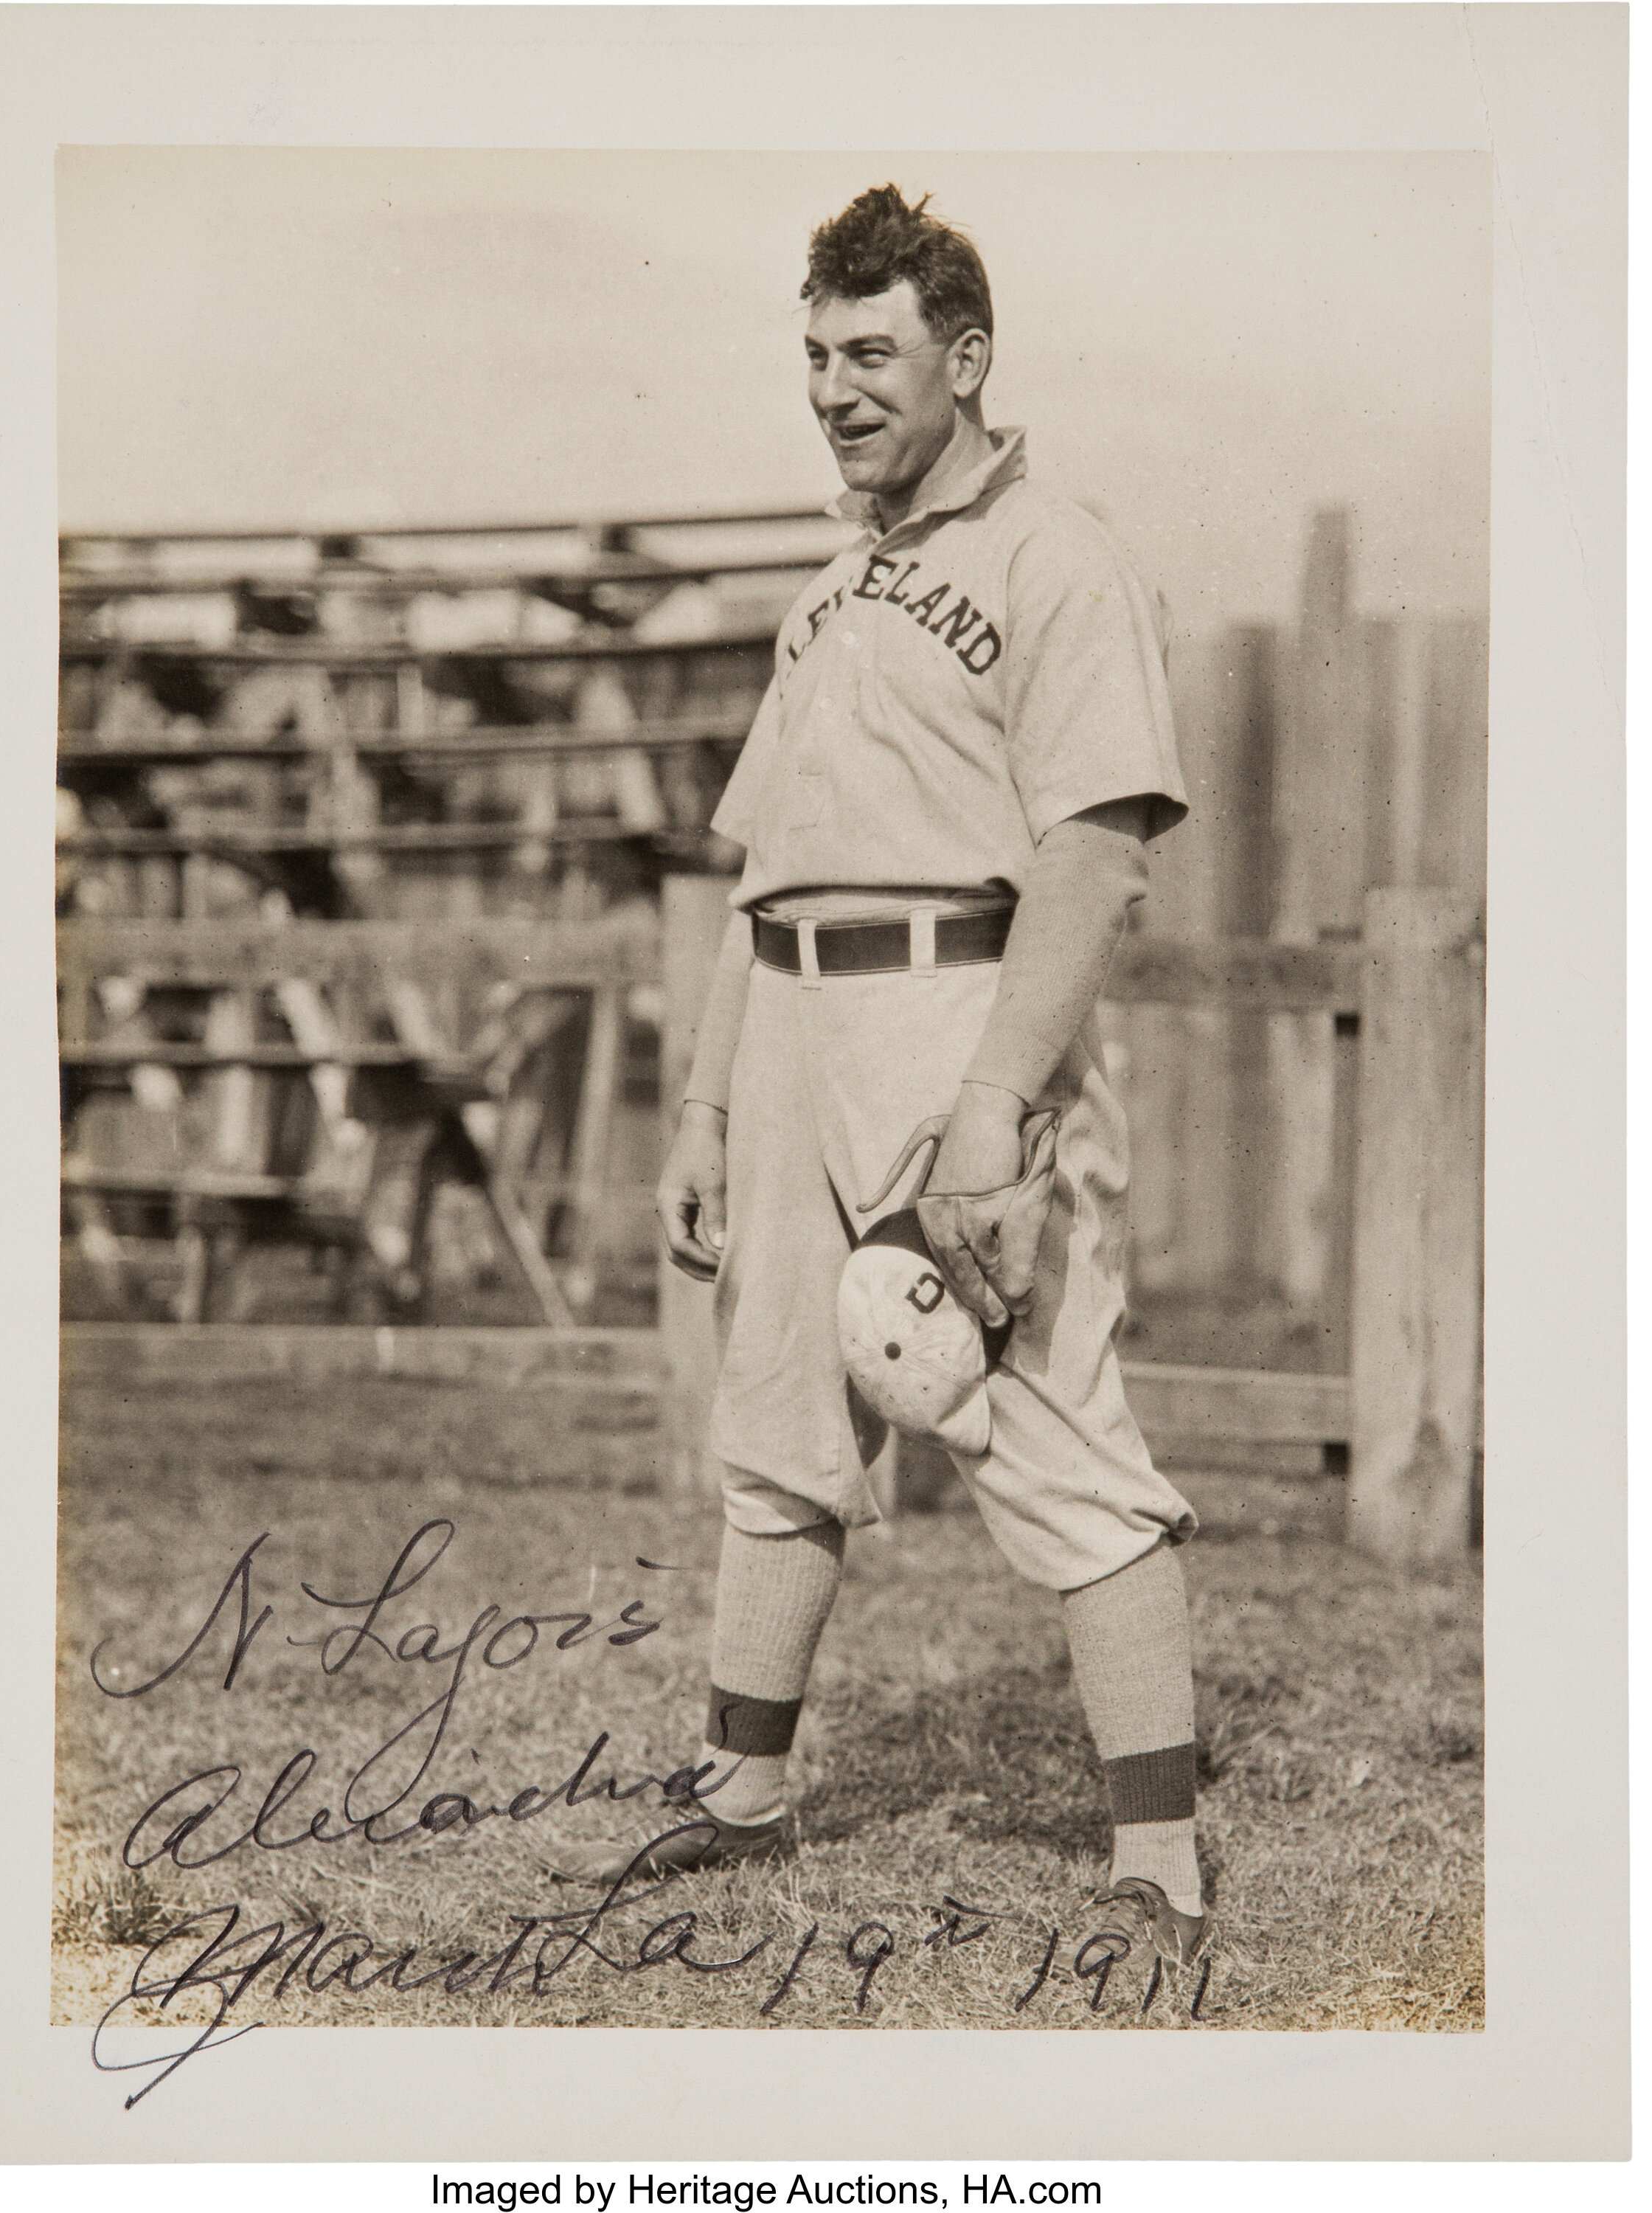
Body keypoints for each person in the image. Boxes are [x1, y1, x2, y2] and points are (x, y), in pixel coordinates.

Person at [548, 185, 1209, 1992]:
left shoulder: (1053, 558)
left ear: (965, 358)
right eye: (817, 356)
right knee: (777, 1429)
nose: (835, 390)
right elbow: (754, 872)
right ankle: (742, 1789)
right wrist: (701, 1109)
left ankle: (1158, 1853)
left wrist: (998, 1103)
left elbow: (1092, 857)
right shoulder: (830, 587)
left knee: (1051, 1424)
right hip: (789, 1021)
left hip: (959, 1017)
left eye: (872, 354)